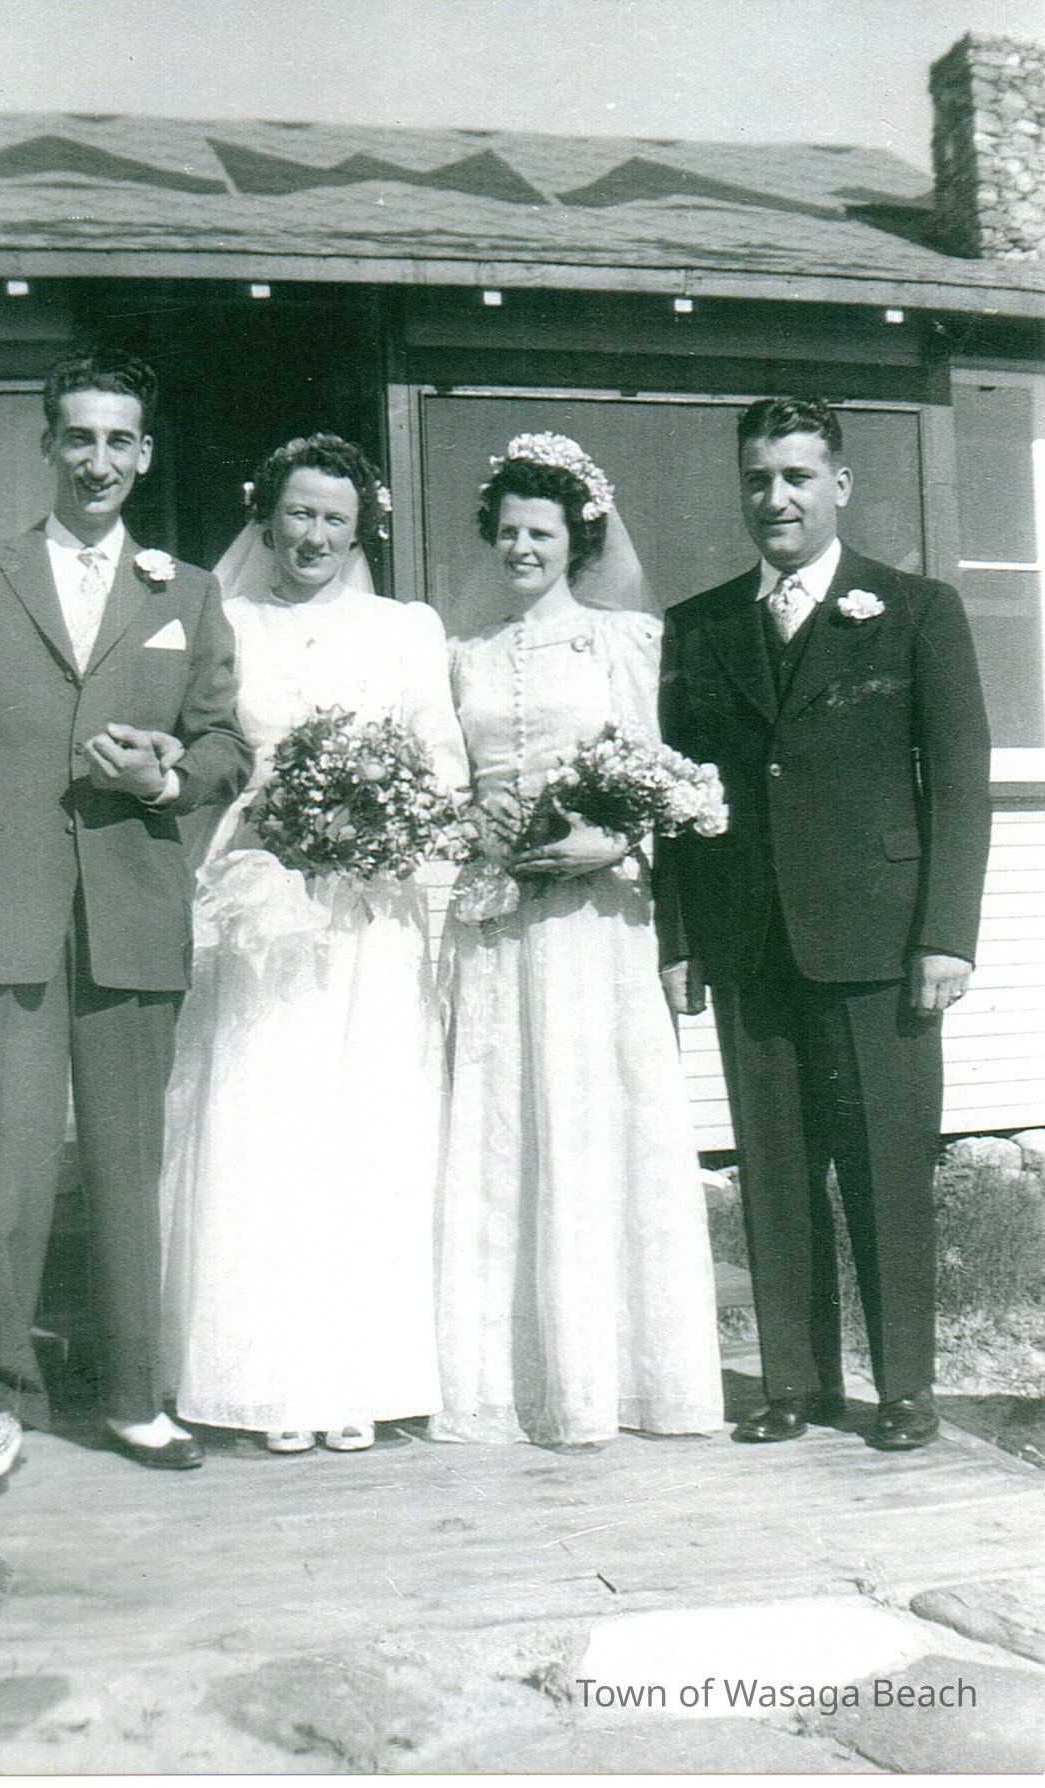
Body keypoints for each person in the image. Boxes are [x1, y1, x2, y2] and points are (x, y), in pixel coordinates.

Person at [0, 349, 252, 1499]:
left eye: (119, 441)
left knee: (125, 1164)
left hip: (131, 909)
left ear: (143, 455)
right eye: (78, 437)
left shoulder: (184, 591)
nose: (97, 461)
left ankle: (132, 1395)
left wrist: (167, 779)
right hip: (2, 905)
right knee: (0, 1170)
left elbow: (225, 745)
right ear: (48, 444)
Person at [658, 396, 991, 1452]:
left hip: (881, 943)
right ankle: (794, 1384)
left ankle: (904, 1390)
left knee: (885, 1167)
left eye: (797, 476)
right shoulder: (700, 625)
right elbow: (676, 798)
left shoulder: (916, 609)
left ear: (839, 485)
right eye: (758, 479)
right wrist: (679, 938)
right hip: (749, 939)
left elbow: (960, 783)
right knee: (774, 1166)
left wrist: (946, 935)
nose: (777, 498)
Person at [159, 433, 469, 1454]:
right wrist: (279, 816)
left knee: (366, 1128)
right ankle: (265, 1380)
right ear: (267, 515)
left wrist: (381, 817)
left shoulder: (405, 628)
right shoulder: (228, 618)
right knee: (265, 1120)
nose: (315, 536)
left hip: (368, 909)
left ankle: (362, 1380)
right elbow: (211, 749)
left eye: (336, 518)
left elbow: (443, 761)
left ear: (361, 528)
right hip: (261, 895)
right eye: (299, 513)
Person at [431, 434, 724, 1448]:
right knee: (503, 1124)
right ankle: (513, 1381)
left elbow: (659, 777)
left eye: (541, 535)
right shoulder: (464, 655)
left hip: (597, 921)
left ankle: (616, 1382)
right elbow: (450, 778)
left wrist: (611, 841)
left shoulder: (621, 643)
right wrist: (474, 824)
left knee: (597, 1123)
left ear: (577, 543)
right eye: (508, 532)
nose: (521, 549)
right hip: (495, 917)